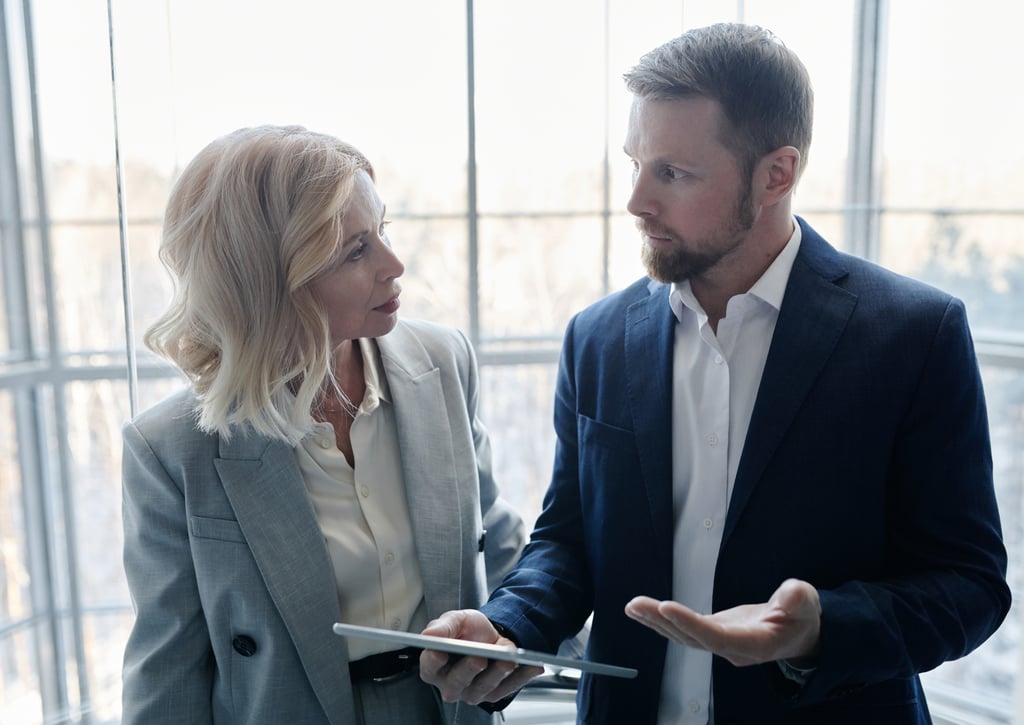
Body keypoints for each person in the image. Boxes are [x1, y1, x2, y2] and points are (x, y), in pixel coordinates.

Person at [418, 22, 1011, 724]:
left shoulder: (915, 334)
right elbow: (569, 542)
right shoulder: (597, 337)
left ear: (776, 174)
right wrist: (508, 626)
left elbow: (969, 585)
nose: (636, 200)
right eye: (634, 163)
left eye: (672, 172)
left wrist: (822, 626)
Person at [120, 125, 526, 725]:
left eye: (382, 230)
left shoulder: (442, 363)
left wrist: (515, 635)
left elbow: (500, 545)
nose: (394, 264)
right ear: (268, 283)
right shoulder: (172, 448)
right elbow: (168, 671)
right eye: (355, 251)